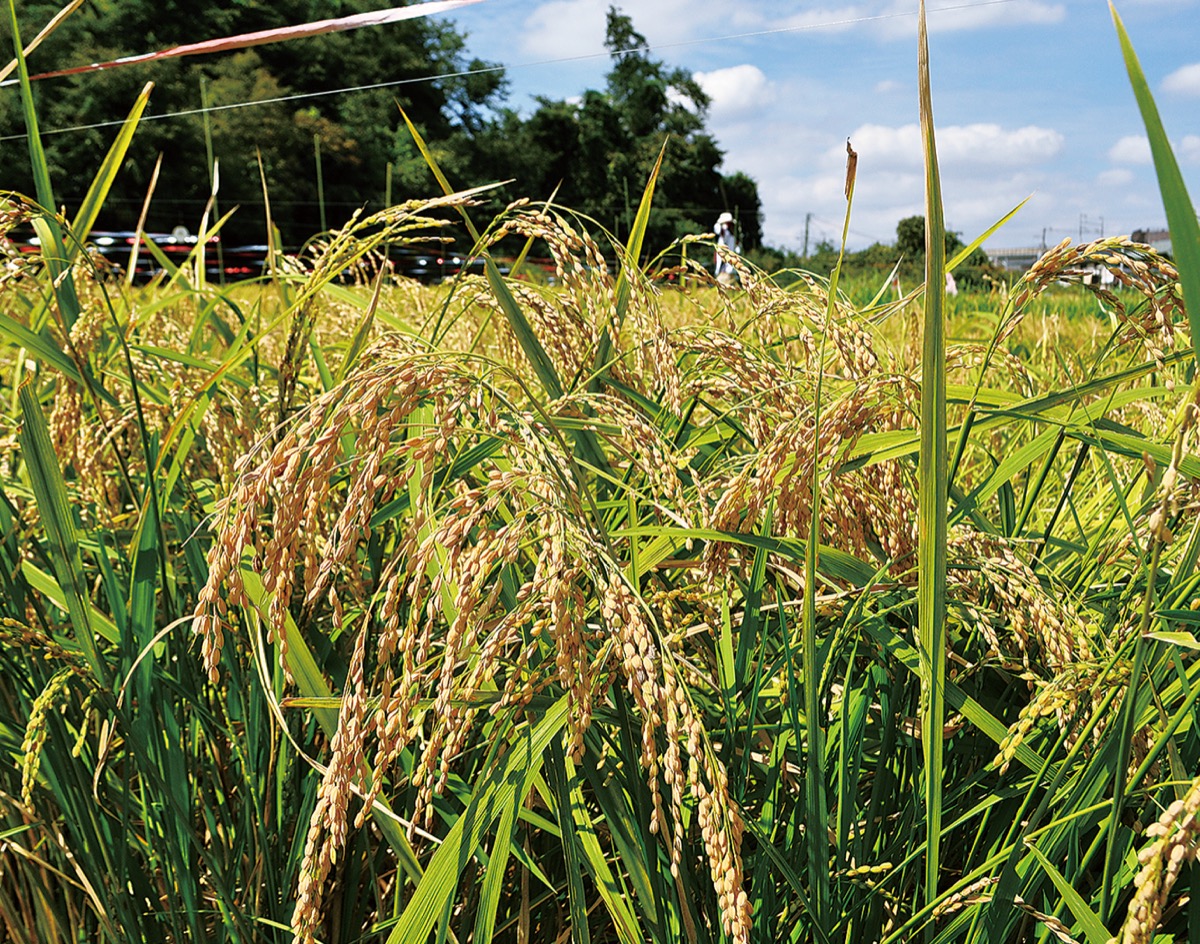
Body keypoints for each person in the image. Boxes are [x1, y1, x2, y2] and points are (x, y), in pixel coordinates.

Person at [713, 211, 739, 284]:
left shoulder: (732, 236)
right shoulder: (722, 230)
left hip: (729, 265)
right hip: (722, 260)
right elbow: (717, 230)